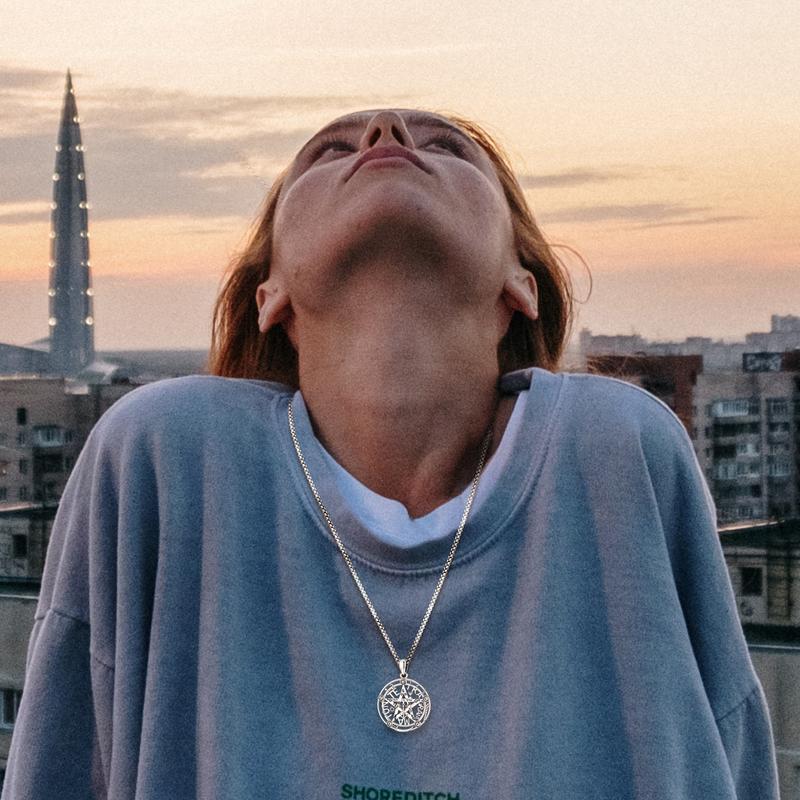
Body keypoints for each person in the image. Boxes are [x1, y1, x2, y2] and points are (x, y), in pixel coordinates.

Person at [1, 108, 779, 799]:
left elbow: (730, 755)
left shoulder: (615, 455)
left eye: (448, 147)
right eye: (328, 151)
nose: (385, 134)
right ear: (270, 293)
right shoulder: (168, 460)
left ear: (522, 283)